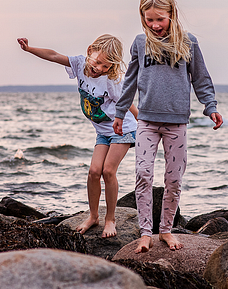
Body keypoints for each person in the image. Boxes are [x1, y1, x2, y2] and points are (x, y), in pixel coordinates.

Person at [112, 0, 223, 253]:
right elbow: (129, 81)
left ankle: (166, 231)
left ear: (171, 14)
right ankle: (145, 233)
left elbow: (201, 77)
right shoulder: (140, 43)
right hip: (147, 122)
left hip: (177, 123)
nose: (155, 25)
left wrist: (210, 106)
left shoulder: (188, 42)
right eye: (149, 19)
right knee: (143, 174)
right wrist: (120, 112)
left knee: (173, 180)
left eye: (159, 19)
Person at [18, 34, 139, 238]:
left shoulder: (111, 81)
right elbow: (55, 55)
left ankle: (110, 219)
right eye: (98, 62)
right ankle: (93, 216)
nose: (99, 68)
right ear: (90, 50)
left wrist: (146, 124)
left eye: (106, 66)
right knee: (93, 171)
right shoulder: (79, 64)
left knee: (108, 171)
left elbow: (127, 103)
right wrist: (30, 49)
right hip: (103, 132)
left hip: (123, 129)